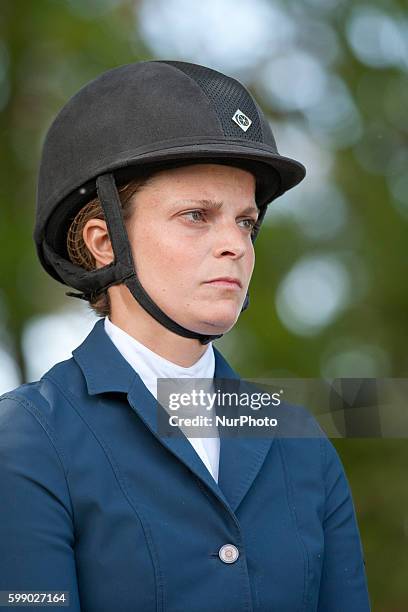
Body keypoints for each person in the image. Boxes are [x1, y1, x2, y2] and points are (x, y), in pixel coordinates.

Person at [0, 60, 371, 611]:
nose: (236, 245)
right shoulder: (27, 438)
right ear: (104, 242)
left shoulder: (301, 440)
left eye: (246, 221)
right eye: (198, 215)